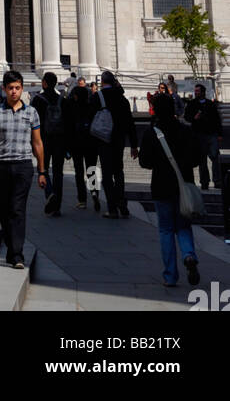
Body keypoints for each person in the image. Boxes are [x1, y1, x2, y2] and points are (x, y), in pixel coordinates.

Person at [0, 69, 47, 268]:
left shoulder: (31, 113)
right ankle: (12, 246)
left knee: (17, 209)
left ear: (22, 89)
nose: (14, 92)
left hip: (23, 166)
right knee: (4, 210)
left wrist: (42, 171)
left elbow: (37, 143)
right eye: (10, 88)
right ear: (4, 89)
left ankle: (16, 254)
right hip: (1, 165)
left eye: (17, 88)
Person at [138, 92, 200, 289]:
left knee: (165, 230)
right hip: (183, 185)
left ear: (155, 109)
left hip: (161, 185)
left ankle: (170, 276)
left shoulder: (151, 132)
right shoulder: (186, 130)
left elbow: (145, 162)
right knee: (183, 226)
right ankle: (189, 255)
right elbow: (197, 158)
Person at [89, 70, 138, 218]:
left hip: (103, 140)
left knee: (107, 173)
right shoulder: (123, 99)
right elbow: (130, 123)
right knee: (119, 172)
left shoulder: (97, 97)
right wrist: (134, 145)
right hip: (119, 140)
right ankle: (122, 202)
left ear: (102, 82)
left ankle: (112, 208)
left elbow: (91, 118)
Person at [31, 71, 67, 215]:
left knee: (43, 169)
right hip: (59, 140)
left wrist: (32, 142)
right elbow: (67, 123)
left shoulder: (38, 100)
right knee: (59, 173)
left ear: (44, 83)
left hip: (43, 140)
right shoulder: (62, 100)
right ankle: (57, 206)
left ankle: (49, 193)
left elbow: (32, 123)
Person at [183, 83, 222, 189]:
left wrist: (219, 134)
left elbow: (217, 119)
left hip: (211, 134)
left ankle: (217, 181)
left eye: (198, 91)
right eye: (195, 91)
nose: (196, 93)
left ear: (203, 92)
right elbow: (186, 117)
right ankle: (204, 182)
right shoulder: (192, 104)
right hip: (199, 135)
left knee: (215, 158)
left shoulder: (210, 104)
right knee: (202, 160)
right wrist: (194, 118)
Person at [66, 76, 95, 209]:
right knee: (91, 170)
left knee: (79, 172)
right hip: (90, 144)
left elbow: (68, 128)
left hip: (76, 144)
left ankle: (82, 199)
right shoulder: (91, 107)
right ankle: (95, 194)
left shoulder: (72, 109)